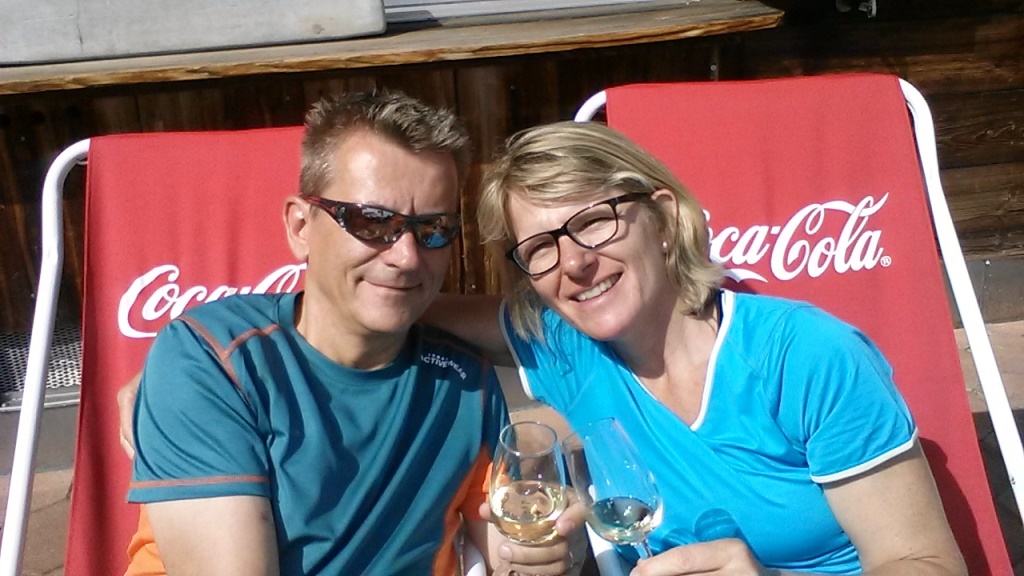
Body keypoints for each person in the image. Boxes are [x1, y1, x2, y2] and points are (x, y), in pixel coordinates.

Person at [428, 120, 967, 575]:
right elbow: (402, 306)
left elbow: (929, 563)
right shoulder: (567, 347)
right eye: (541, 248)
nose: (574, 263)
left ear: (663, 219)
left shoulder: (805, 357)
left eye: (594, 222)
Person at [122, 91, 581, 576]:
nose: (406, 256)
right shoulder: (213, 362)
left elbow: (507, 551)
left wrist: (546, 555)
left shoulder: (464, 381)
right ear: (300, 226)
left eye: (433, 229)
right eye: (372, 222)